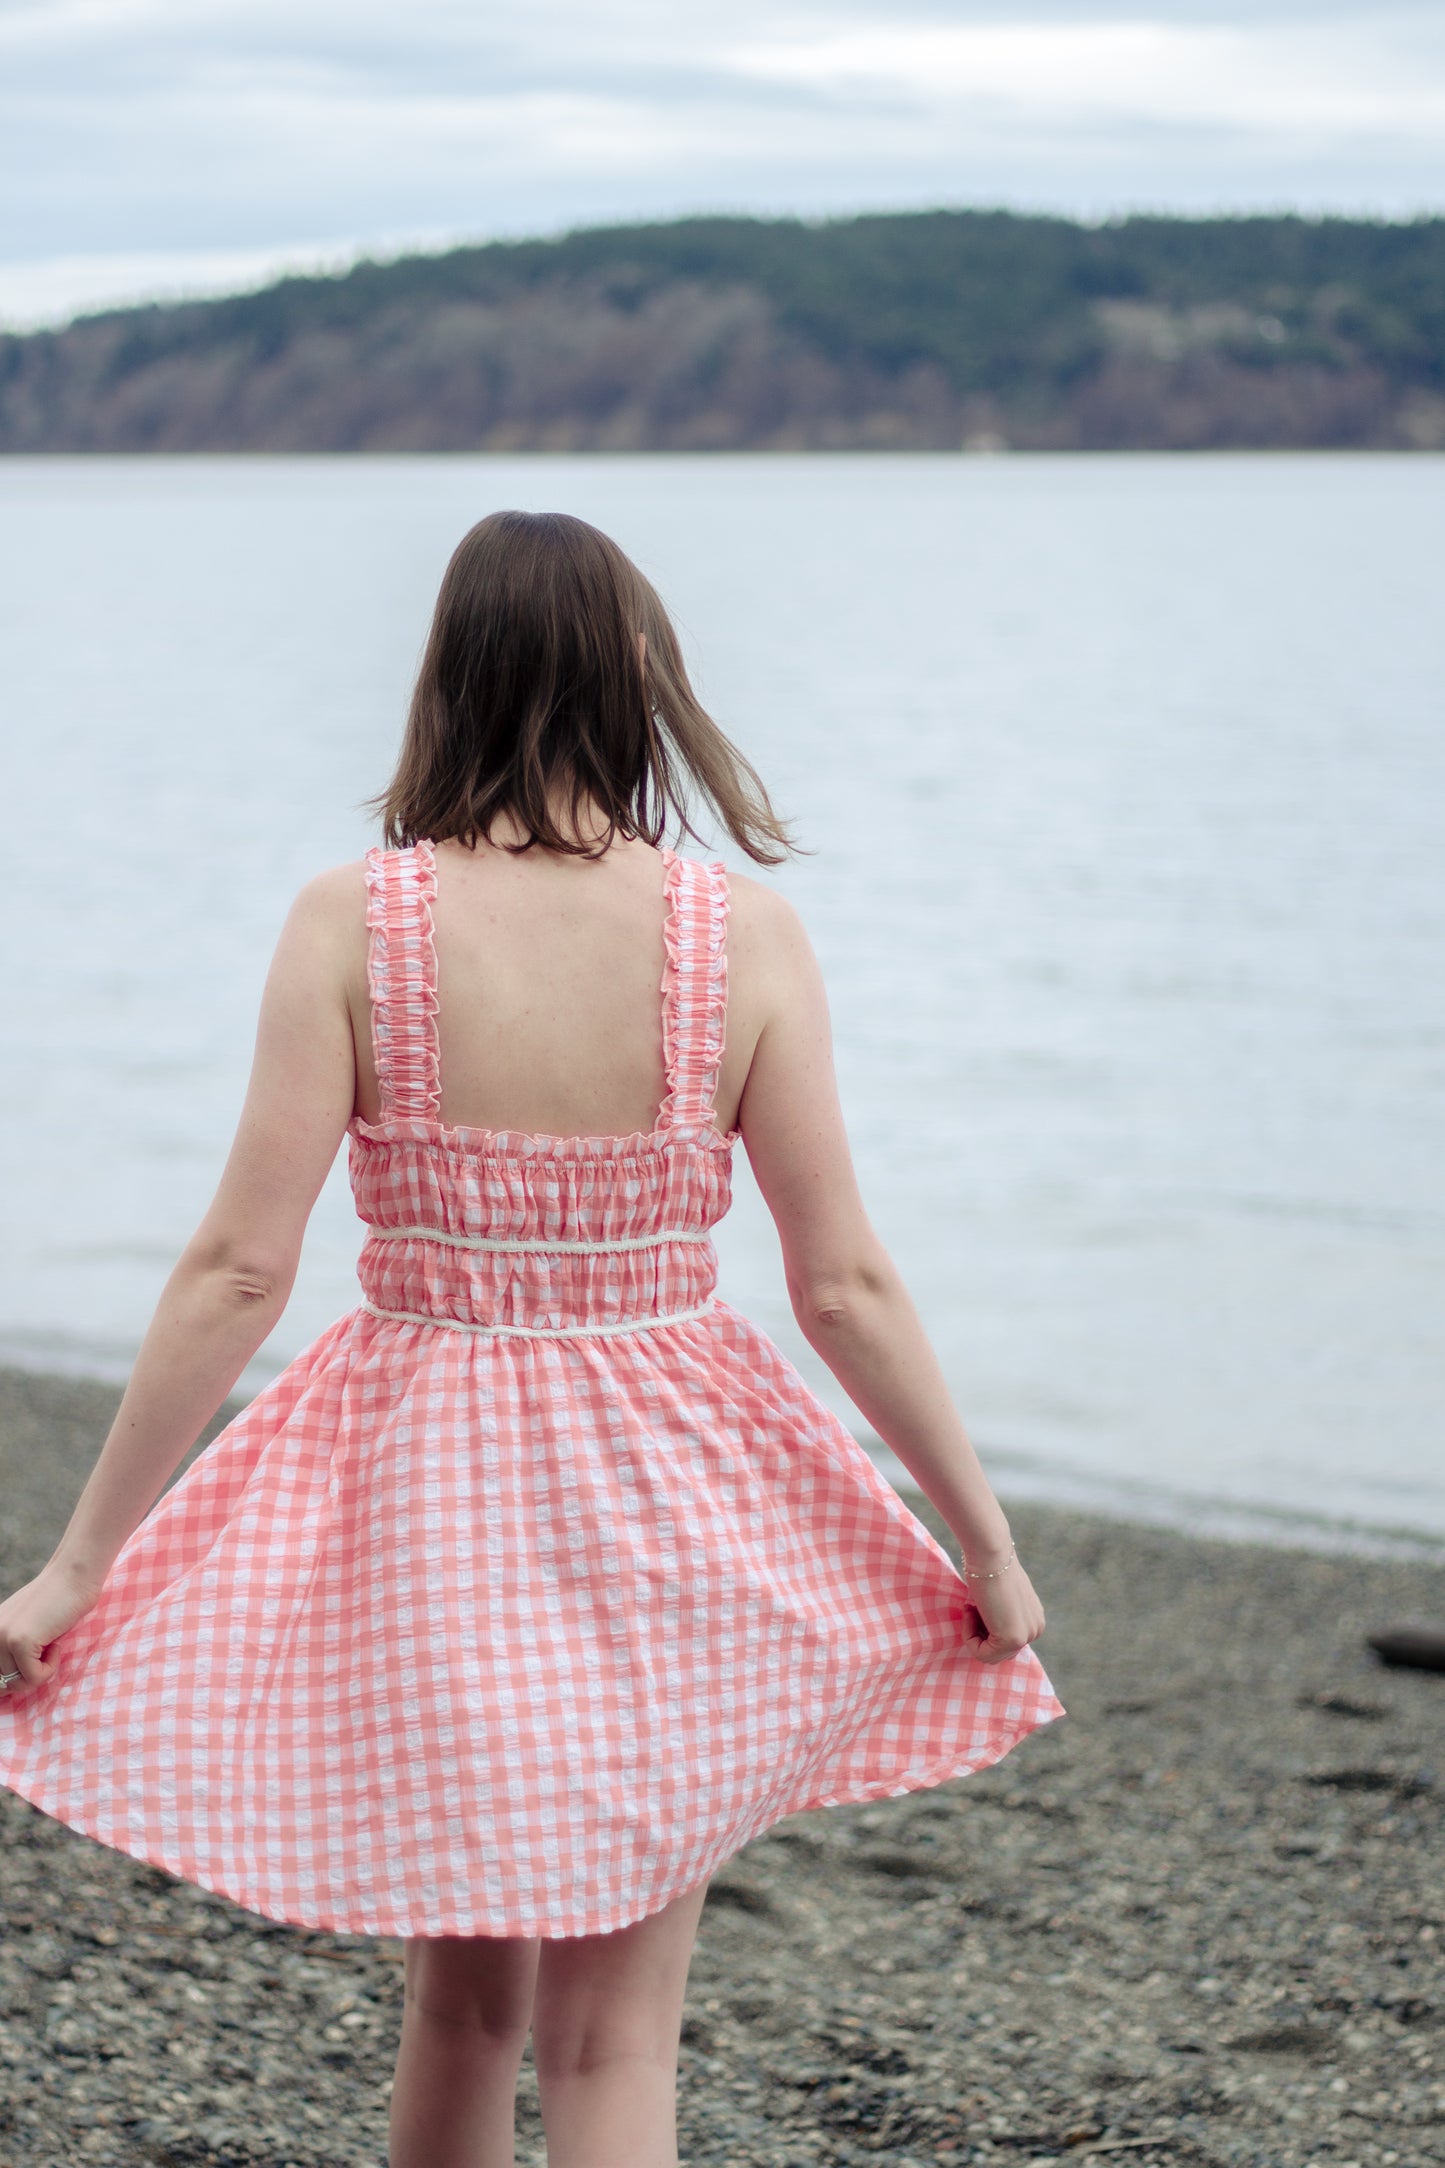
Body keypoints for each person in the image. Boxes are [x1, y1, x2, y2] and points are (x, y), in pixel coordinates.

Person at [0, 510, 1062, 2168]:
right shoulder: (740, 937)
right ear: (642, 677)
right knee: (611, 2037)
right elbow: (841, 1281)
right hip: (678, 1495)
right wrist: (979, 1541)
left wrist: (78, 1567)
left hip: (431, 1497)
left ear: (449, 682)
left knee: (465, 2011)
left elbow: (235, 1271)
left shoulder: (358, 921)